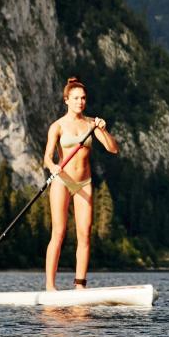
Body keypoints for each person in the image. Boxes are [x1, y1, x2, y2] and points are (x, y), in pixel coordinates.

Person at [43, 77, 118, 290]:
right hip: (62, 182)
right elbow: (47, 157)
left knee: (84, 235)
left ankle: (80, 285)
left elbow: (113, 149)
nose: (80, 102)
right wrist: (52, 167)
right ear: (66, 100)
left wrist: (102, 129)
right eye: (76, 98)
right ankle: (50, 286)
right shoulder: (57, 126)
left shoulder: (91, 124)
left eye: (83, 98)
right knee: (58, 233)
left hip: (84, 183)